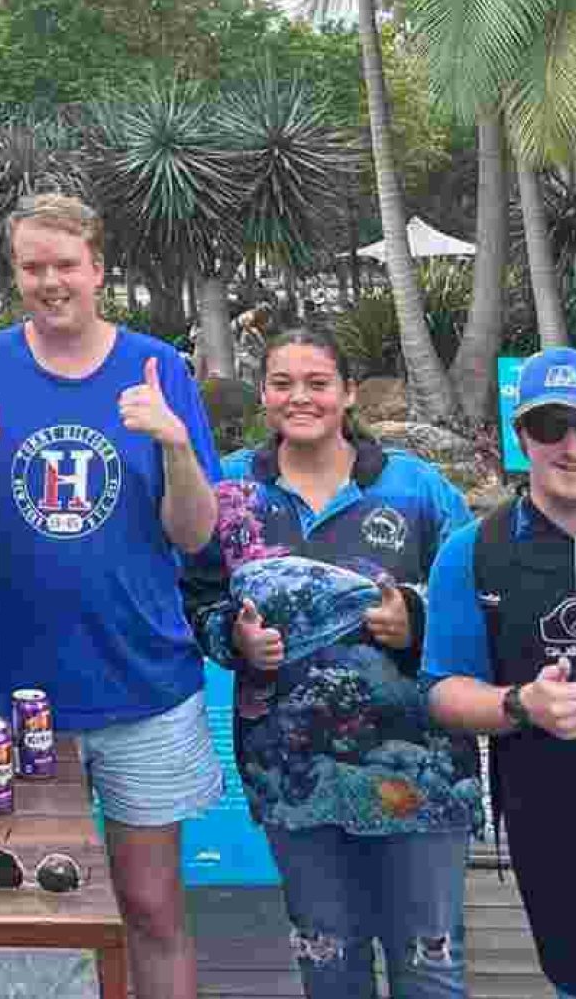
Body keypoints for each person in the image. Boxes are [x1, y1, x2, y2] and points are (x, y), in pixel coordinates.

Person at [0, 191, 222, 999]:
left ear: (98, 269)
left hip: (145, 684)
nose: (51, 281)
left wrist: (175, 445)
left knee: (152, 905)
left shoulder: (157, 366)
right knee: (26, 907)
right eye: (33, 267)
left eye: (66, 265)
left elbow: (195, 535)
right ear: (14, 272)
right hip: (23, 691)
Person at [186, 327, 477, 999]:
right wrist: (234, 638)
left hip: (423, 776)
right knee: (328, 963)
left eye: (318, 383)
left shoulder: (417, 488)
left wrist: (418, 620)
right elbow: (192, 594)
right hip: (293, 778)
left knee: (429, 966)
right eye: (283, 383)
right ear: (263, 395)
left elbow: (477, 596)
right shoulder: (229, 488)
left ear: (348, 393)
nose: (300, 398)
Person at [425, 346, 576, 997]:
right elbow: (442, 690)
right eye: (550, 428)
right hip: (548, 804)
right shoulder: (475, 552)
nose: (572, 447)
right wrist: (523, 704)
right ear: (521, 437)